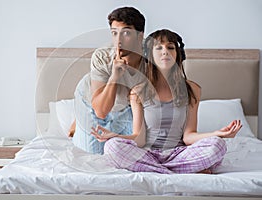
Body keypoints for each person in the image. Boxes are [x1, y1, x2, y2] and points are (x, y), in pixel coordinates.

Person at [91, 29, 242, 174]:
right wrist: (113, 136)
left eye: (170, 47)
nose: (165, 51)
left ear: (177, 55)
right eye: (158, 48)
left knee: (217, 145)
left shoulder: (192, 89)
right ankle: (179, 171)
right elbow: (140, 139)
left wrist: (217, 134)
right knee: (112, 147)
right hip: (147, 154)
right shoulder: (138, 91)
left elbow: (188, 136)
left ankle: (157, 170)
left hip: (179, 154)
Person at [70, 7, 150, 154]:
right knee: (94, 156)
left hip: (126, 107)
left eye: (126, 33)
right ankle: (80, 118)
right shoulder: (102, 57)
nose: (118, 41)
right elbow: (101, 111)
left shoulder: (152, 57)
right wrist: (114, 77)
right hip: (93, 103)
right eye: (114, 33)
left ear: (140, 36)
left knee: (130, 151)